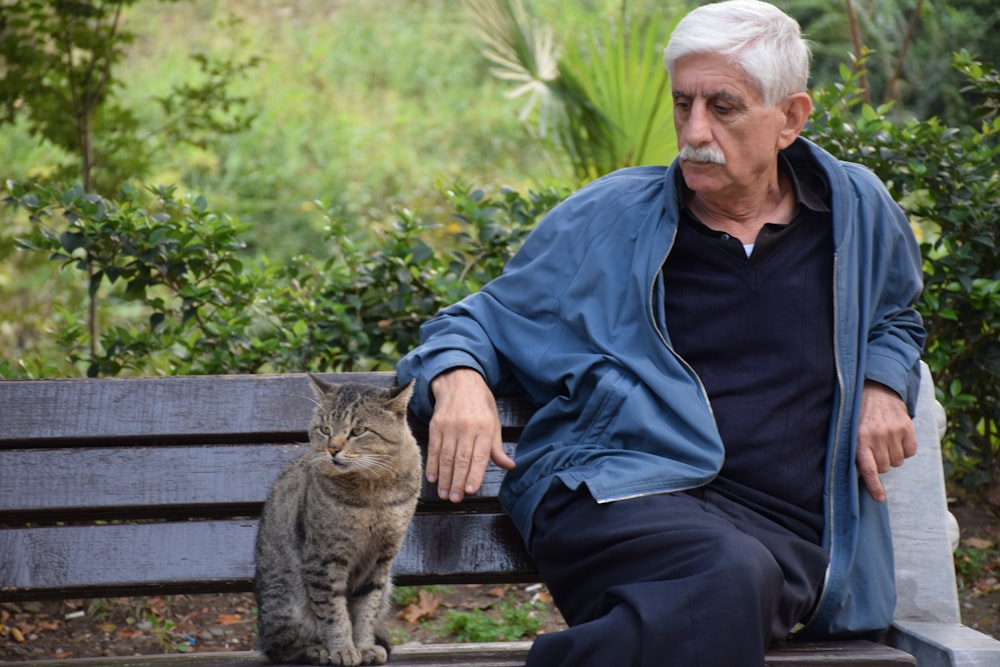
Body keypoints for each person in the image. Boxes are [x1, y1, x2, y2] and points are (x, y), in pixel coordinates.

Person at [396, 1, 925, 665]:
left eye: (723, 107)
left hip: (785, 539)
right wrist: (460, 379)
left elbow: (895, 313)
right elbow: (468, 322)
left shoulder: (857, 211)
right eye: (683, 104)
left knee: (736, 581)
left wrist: (883, 379)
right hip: (619, 497)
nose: (694, 130)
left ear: (790, 118)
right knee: (729, 577)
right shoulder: (611, 215)